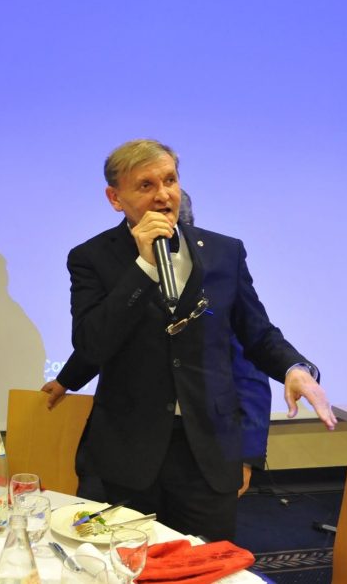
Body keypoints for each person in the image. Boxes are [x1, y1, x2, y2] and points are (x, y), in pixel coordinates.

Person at [63, 138, 335, 541]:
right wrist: (143, 267)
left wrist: (294, 368)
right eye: (146, 185)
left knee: (207, 564)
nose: (163, 195)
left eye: (169, 180)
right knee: (124, 563)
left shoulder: (225, 252)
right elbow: (91, 344)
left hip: (207, 450)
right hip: (128, 453)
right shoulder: (91, 257)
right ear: (115, 198)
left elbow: (257, 332)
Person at [44, 189, 273, 496]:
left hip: (204, 446)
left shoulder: (219, 276)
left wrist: (247, 455)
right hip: (131, 446)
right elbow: (114, 334)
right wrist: (67, 379)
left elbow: (252, 370)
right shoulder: (126, 269)